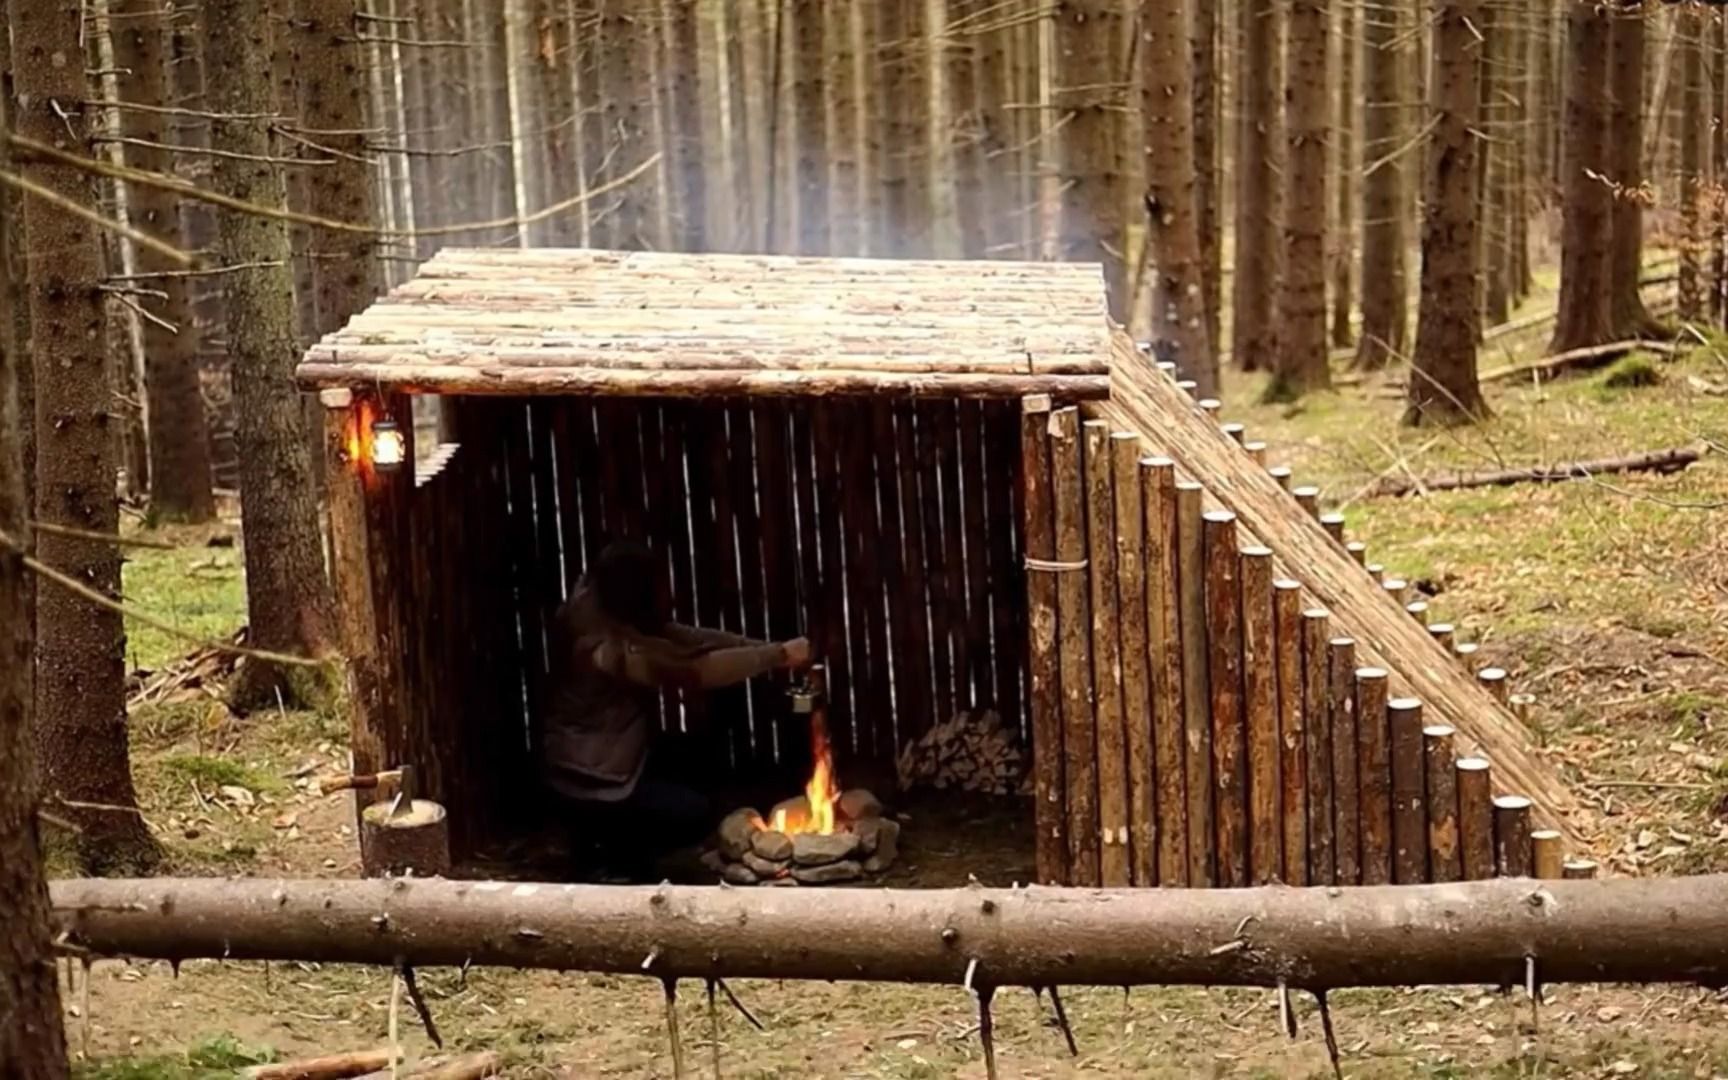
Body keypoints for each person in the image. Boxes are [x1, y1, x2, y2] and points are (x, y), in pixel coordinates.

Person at [541, 539, 811, 880]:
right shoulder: (603, 649)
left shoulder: (600, 608)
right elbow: (694, 672)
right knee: (694, 812)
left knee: (701, 759)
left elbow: (680, 639)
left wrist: (765, 649)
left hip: (603, 762)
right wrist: (778, 655)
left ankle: (605, 843)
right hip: (591, 783)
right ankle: (615, 859)